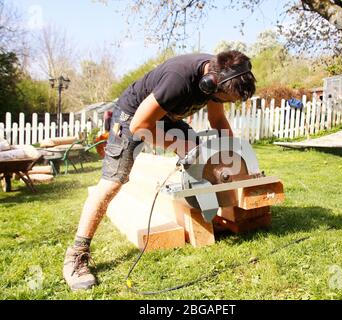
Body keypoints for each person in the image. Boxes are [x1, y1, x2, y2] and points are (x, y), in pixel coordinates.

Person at [63, 50, 256, 290]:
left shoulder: (221, 78)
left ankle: (207, 215)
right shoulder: (179, 80)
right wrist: (180, 145)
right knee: (113, 182)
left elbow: (217, 122)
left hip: (167, 116)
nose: (223, 103)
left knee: (202, 158)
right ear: (209, 83)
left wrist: (231, 155)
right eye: (224, 98)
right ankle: (76, 255)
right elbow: (139, 126)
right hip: (132, 117)